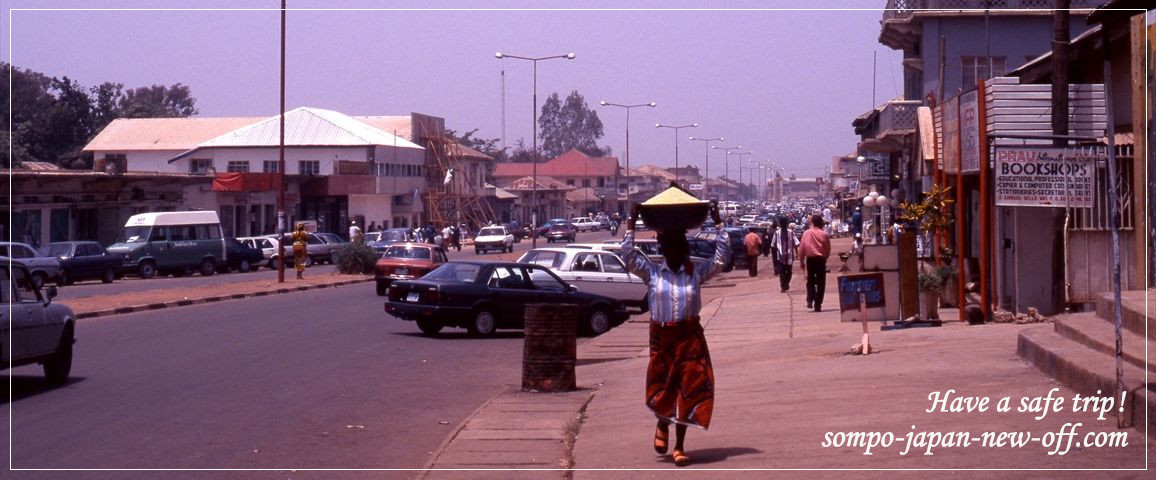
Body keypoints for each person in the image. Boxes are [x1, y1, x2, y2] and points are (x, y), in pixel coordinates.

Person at [622, 202, 729, 468]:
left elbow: (721, 259)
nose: (673, 252)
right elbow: (628, 257)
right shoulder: (653, 273)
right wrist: (631, 223)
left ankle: (680, 446)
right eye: (668, 248)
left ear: (684, 249)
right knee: (663, 387)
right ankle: (662, 422)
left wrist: (718, 223)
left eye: (678, 247)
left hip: (690, 337)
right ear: (663, 250)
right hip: (662, 339)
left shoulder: (695, 273)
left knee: (690, 388)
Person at [799, 214, 832, 312]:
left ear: (812, 222)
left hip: (810, 260)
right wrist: (824, 258)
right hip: (821, 259)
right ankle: (818, 304)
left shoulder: (806, 233)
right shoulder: (824, 234)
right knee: (821, 283)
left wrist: (801, 261)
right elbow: (827, 249)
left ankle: (810, 299)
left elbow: (802, 248)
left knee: (810, 281)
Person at [770, 217, 800, 293]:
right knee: (782, 273)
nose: (783, 225)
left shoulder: (791, 232)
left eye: (784, 224)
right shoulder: (777, 233)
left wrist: (797, 254)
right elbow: (773, 245)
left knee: (789, 272)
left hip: (789, 256)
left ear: (786, 224)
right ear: (780, 225)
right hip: (780, 256)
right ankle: (783, 286)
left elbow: (796, 244)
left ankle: (786, 284)